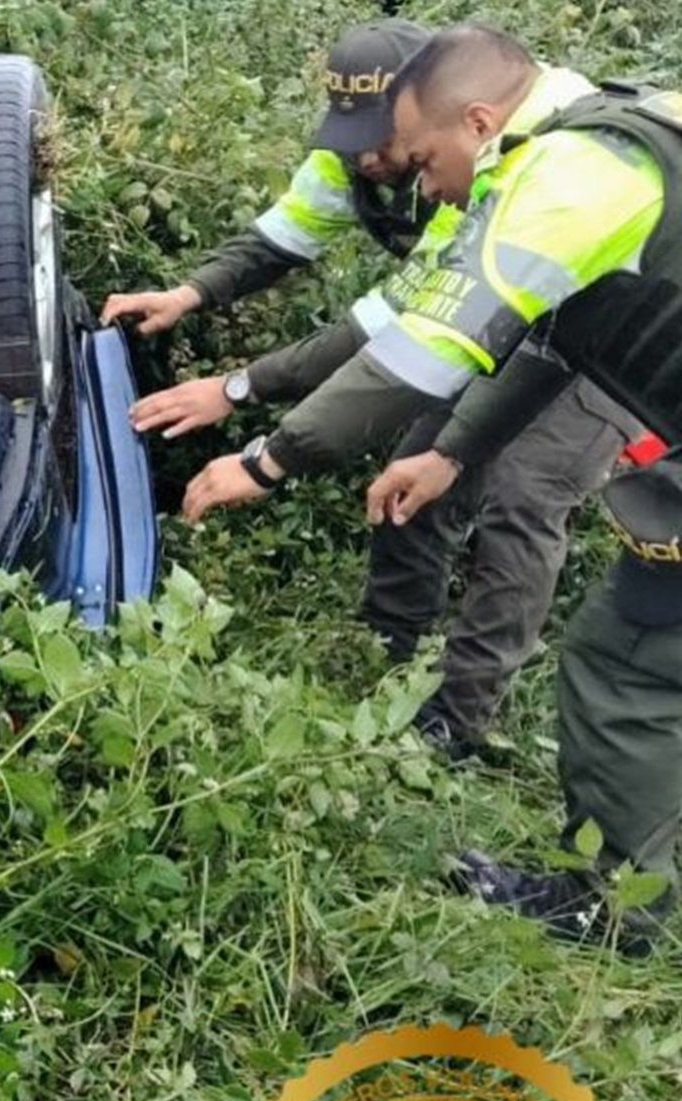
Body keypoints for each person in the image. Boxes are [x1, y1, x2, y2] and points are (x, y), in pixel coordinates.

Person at [185, 23, 682, 954]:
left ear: (476, 120)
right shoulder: (603, 139)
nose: (424, 188)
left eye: (424, 159)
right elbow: (556, 339)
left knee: (625, 666)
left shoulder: (568, 174)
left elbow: (414, 356)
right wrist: (453, 454)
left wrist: (269, 460)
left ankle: (612, 909)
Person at [111, 18, 638, 758]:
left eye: (383, 139)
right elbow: (279, 238)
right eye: (350, 133)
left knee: (523, 495)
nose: (364, 155)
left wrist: (240, 402)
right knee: (413, 475)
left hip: (597, 339)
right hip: (489, 324)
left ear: (434, 115)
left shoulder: (499, 163)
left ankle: (457, 723)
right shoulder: (359, 155)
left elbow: (390, 333)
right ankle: (392, 653)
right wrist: (188, 294)